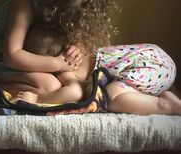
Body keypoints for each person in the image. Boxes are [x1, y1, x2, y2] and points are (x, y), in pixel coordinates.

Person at [0, 0, 117, 101]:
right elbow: (12, 56)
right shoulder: (22, 4)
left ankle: (48, 81)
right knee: (51, 86)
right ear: (53, 11)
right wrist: (57, 64)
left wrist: (77, 47)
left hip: (36, 48)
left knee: (80, 65)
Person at [9, 21, 181, 115]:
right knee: (123, 83)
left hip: (148, 68)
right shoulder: (80, 49)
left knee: (111, 97)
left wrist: (37, 98)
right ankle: (167, 89)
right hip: (157, 56)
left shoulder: (65, 69)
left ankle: (166, 106)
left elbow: (74, 93)